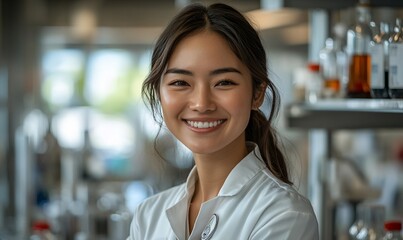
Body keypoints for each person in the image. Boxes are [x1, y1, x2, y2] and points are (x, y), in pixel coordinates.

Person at [127, 3, 319, 240]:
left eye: (224, 82)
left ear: (257, 94)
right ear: (159, 93)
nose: (201, 103)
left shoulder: (284, 215)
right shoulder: (149, 216)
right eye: (180, 83)